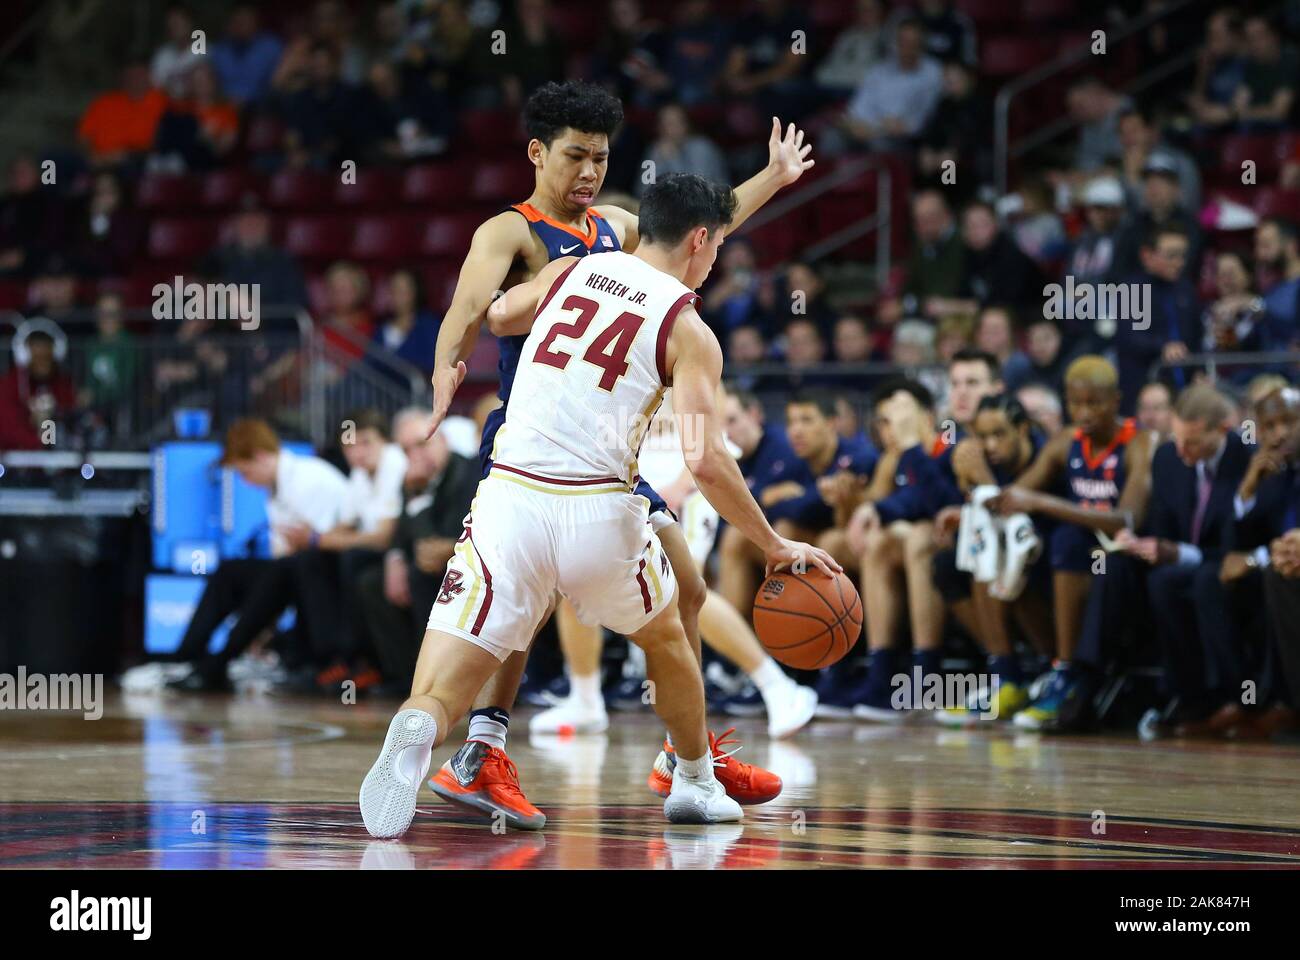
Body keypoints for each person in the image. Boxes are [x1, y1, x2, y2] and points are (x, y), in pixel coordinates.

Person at [358, 174, 840, 838]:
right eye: (717, 245)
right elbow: (705, 458)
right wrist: (773, 544)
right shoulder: (689, 327)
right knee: (667, 635)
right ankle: (693, 777)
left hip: (509, 498)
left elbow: (499, 316)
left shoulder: (571, 271)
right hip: (596, 512)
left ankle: (426, 727)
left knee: (443, 687)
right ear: (700, 241)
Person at [987, 356, 1156, 732]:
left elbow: (1126, 520)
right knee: (1015, 547)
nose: (1084, 412)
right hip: (1079, 558)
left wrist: (1046, 503)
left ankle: (1069, 671)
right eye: (1076, 403)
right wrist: (971, 496)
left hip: (1130, 560)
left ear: (1116, 400)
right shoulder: (1066, 442)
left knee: (1069, 539)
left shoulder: (1140, 443)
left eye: (1094, 403)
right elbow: (1012, 494)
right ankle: (1043, 670)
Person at [170, 420, 350, 692]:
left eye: (245, 472)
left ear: (261, 456)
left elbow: (318, 545)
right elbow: (282, 557)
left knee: (286, 570)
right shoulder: (276, 491)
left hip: (328, 569)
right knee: (232, 571)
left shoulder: (310, 478)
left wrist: (262, 620)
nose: (245, 481)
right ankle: (187, 655)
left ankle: (220, 662)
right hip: (297, 569)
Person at [356, 408, 478, 693]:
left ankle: (438, 677)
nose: (415, 455)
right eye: (406, 449)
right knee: (371, 582)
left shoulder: (465, 474)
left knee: (421, 575)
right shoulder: (410, 480)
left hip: (466, 562)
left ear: (443, 440)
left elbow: (436, 543)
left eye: (422, 444)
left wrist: (418, 496)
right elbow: (402, 535)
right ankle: (403, 674)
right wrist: (394, 559)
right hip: (433, 560)